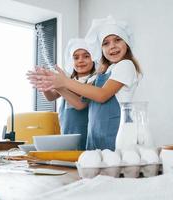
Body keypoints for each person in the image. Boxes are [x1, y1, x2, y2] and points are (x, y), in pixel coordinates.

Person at [36, 16, 141, 151]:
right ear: (101, 49)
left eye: (117, 40)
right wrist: (55, 84)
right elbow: (80, 103)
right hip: (95, 138)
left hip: (114, 136)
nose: (112, 46)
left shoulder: (126, 65)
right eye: (106, 43)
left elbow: (102, 95)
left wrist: (64, 81)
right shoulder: (105, 72)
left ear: (126, 42)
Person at [27, 38, 96, 150]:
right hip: (67, 131)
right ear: (70, 61)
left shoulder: (93, 80)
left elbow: (80, 104)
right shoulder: (68, 79)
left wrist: (60, 85)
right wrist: (45, 85)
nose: (80, 60)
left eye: (86, 56)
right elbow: (51, 97)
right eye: (76, 57)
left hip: (86, 133)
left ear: (93, 58)